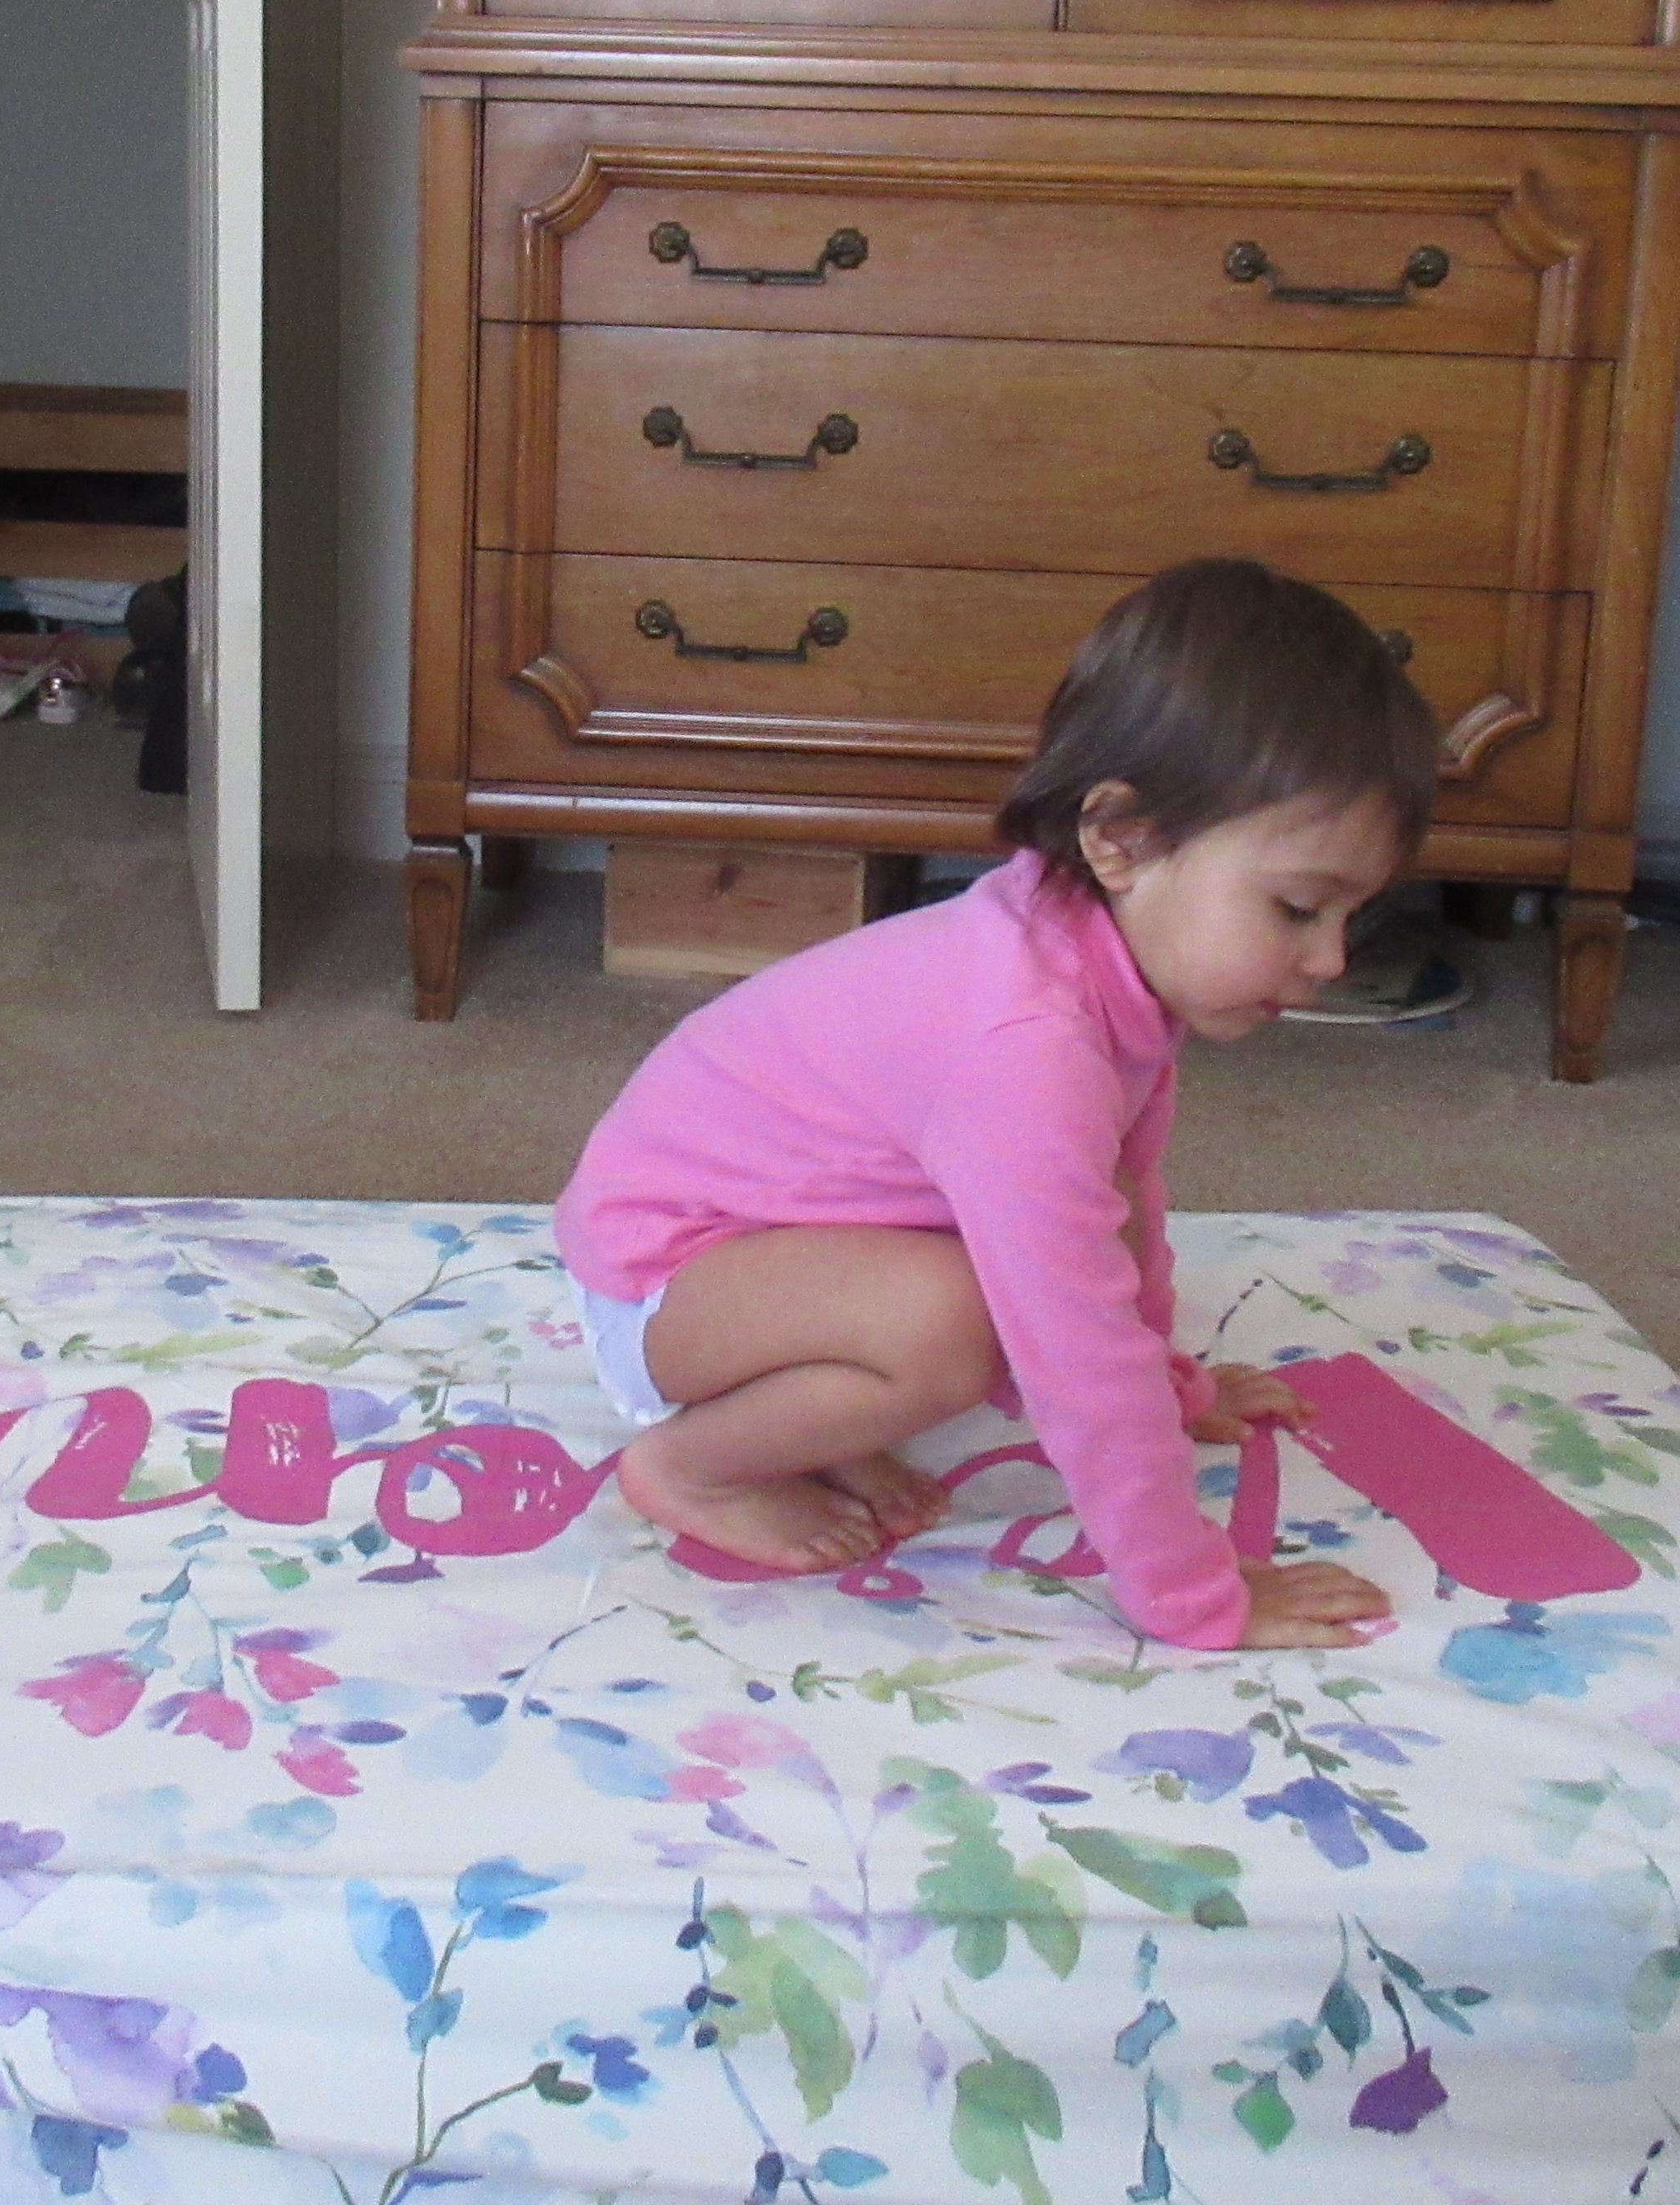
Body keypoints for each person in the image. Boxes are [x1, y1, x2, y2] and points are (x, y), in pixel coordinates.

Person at [554, 557, 1440, 1650]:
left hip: (785, 1243)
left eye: (1351, 917)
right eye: (1298, 908)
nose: (1330, 958)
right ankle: (691, 1465)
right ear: (1119, 838)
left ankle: (808, 1403)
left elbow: (1119, 1206)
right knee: (953, 1326)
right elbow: (1071, 1344)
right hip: (664, 1276)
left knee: (986, 1292)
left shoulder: (1102, 967)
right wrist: (1192, 1592)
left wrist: (1170, 1385)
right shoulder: (1027, 1042)